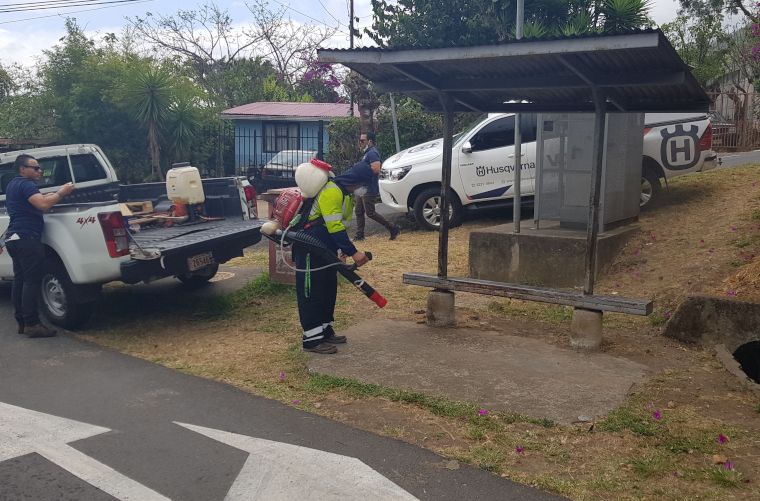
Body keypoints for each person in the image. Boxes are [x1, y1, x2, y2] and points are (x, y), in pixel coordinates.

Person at [291, 158, 372, 354]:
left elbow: (339, 225)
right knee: (312, 290)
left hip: (325, 247)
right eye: (365, 186)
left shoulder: (347, 195)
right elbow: (334, 226)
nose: (366, 191)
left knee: (328, 288)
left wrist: (341, 249)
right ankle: (311, 339)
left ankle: (325, 331)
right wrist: (354, 252)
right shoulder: (332, 191)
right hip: (310, 245)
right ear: (356, 182)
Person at [4, 154, 75, 338]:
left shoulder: (13, 184)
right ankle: (32, 323)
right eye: (35, 168)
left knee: (20, 280)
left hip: (14, 238)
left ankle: (22, 321)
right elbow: (42, 204)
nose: (39, 171)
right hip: (27, 238)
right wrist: (61, 192)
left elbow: (38, 199)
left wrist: (54, 195)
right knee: (32, 281)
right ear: (23, 169)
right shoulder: (27, 184)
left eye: (39, 168)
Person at [353, 131, 400, 241]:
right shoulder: (367, 153)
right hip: (362, 187)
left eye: (362, 141)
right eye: (360, 140)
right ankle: (359, 235)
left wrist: (359, 170)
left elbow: (376, 169)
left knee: (370, 213)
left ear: (370, 141)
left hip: (368, 188)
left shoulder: (372, 153)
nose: (360, 143)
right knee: (359, 211)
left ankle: (392, 228)